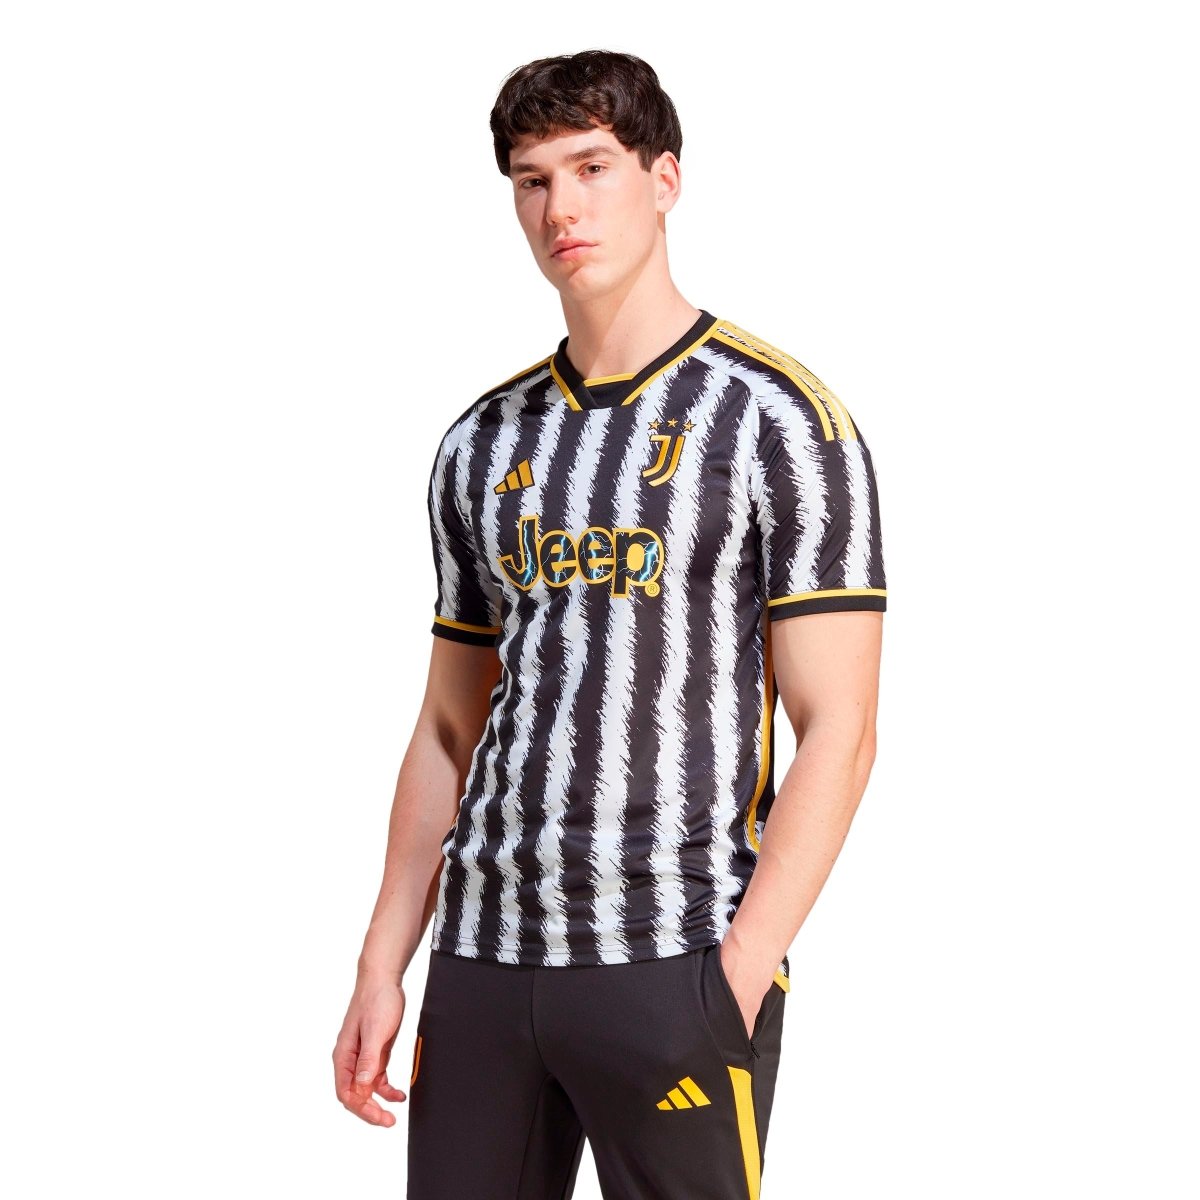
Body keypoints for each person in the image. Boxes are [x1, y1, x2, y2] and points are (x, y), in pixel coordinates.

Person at [333, 48, 887, 1199]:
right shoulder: (482, 442)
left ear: (664, 178)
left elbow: (839, 726)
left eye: (592, 167)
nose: (562, 209)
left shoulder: (779, 421)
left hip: (671, 954)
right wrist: (385, 960)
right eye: (533, 180)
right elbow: (447, 728)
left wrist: (735, 974)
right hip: (484, 957)